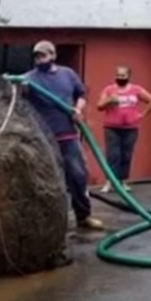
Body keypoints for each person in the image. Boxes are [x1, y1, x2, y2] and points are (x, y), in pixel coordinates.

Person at [23, 40, 104, 231]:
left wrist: (78, 109)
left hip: (68, 135)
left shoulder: (68, 74)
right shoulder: (29, 79)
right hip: (43, 138)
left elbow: (82, 94)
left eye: (43, 55)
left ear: (53, 55)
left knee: (77, 175)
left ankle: (83, 216)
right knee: (44, 179)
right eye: (36, 56)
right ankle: (44, 223)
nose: (39, 59)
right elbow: (17, 96)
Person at [97, 66, 151, 193]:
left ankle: (122, 181)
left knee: (126, 154)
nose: (120, 78)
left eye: (123, 76)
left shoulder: (136, 90)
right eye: (118, 75)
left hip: (130, 128)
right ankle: (109, 182)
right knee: (113, 155)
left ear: (128, 76)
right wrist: (109, 100)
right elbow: (99, 106)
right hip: (111, 127)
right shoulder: (109, 89)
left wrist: (142, 115)